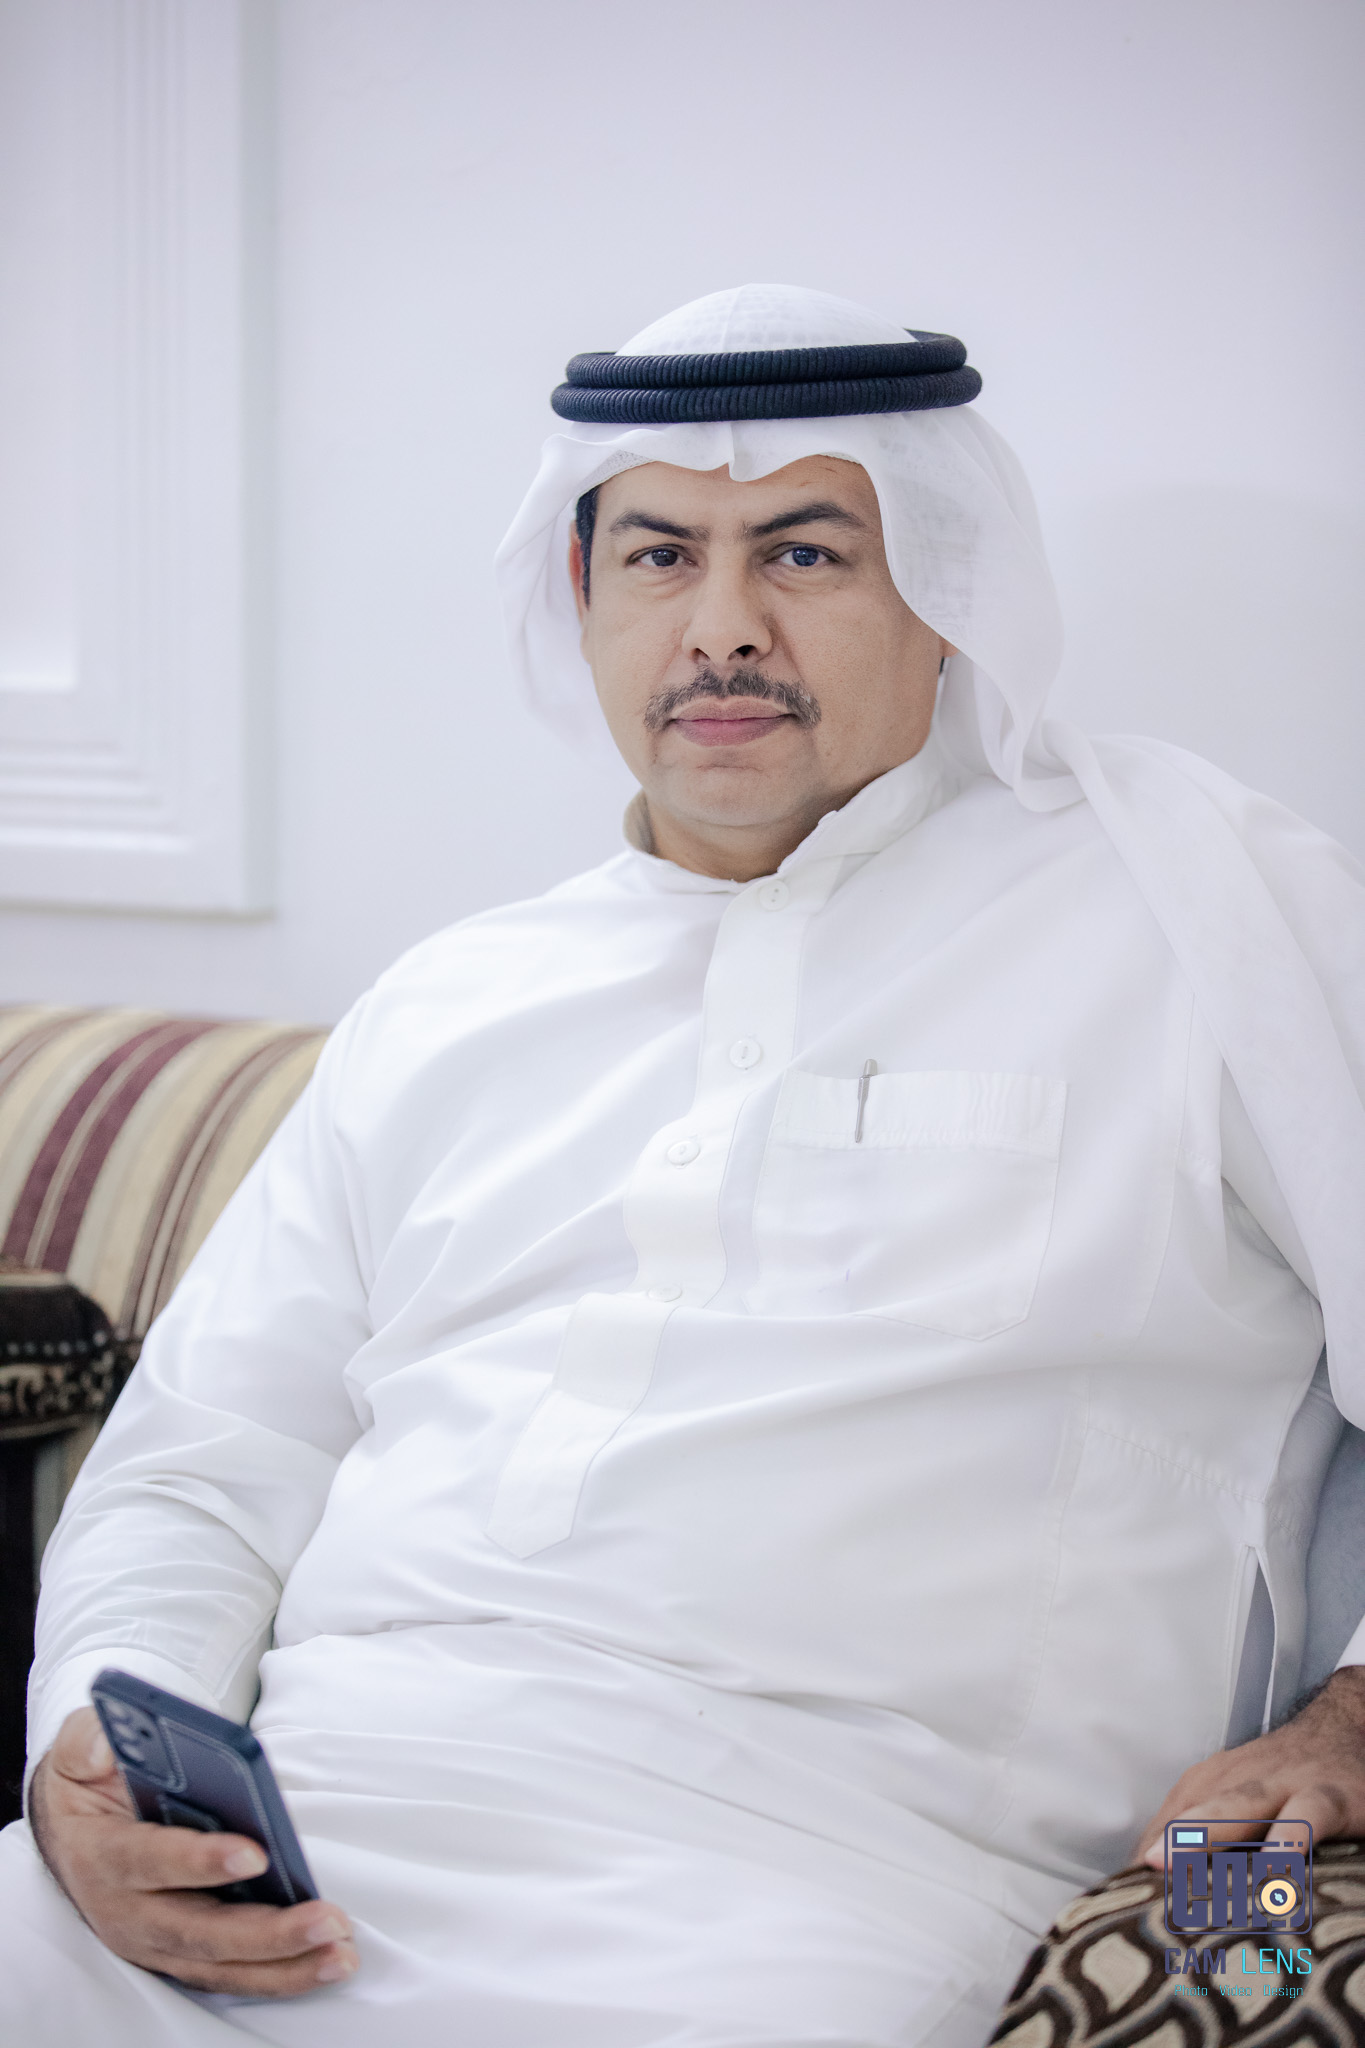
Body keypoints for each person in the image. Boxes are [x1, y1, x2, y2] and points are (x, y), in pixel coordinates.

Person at [4, 283, 1365, 2048]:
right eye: (659, 558)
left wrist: (1346, 1720)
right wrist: (103, 1758)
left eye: (804, 554)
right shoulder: (454, 1003)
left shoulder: (1192, 907)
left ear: (943, 594)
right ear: (583, 596)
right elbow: (202, 1466)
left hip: (805, 1900)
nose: (720, 630)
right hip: (284, 1850)